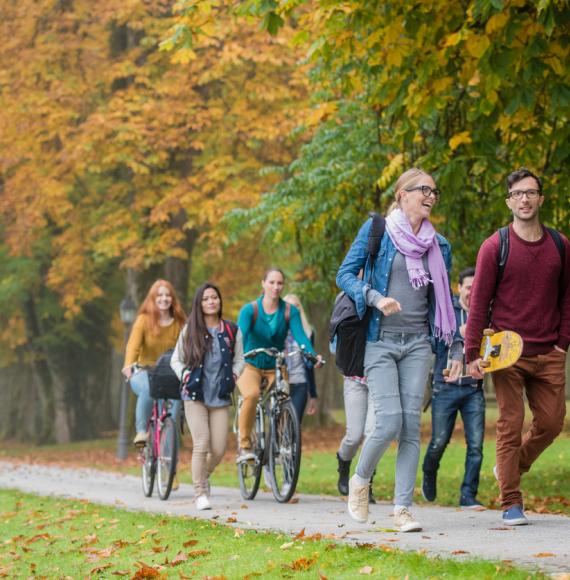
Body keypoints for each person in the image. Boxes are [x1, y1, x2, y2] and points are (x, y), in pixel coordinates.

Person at [336, 168, 461, 532]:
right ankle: (360, 479)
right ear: (403, 193)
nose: (431, 196)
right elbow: (345, 274)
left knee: (409, 428)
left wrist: (454, 349)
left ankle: (402, 508)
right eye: (424, 189)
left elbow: (446, 301)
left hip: (418, 344)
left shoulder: (440, 246)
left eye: (435, 191)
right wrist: (374, 297)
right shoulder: (377, 230)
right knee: (388, 420)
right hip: (380, 341)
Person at [465, 168, 569, 526]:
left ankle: (509, 466)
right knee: (510, 422)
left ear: (540, 198)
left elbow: (568, 297)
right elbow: (479, 302)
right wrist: (472, 354)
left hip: (549, 352)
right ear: (509, 201)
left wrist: (562, 344)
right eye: (517, 194)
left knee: (553, 423)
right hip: (507, 351)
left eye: (530, 192)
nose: (524, 199)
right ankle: (510, 500)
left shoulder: (560, 244)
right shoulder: (495, 246)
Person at [171, 283, 244, 510]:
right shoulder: (189, 330)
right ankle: (200, 492)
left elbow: (239, 359)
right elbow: (176, 359)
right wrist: (184, 375)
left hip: (220, 395)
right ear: (199, 304)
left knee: (220, 449)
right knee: (201, 442)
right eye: (206, 298)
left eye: (214, 297)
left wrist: (234, 373)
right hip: (195, 394)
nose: (211, 301)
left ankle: (203, 477)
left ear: (219, 301)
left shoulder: (232, 330)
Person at [236, 268, 322, 463]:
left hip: (276, 365)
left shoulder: (290, 311)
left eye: (280, 283)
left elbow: (301, 337)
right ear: (263, 283)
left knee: (284, 399)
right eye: (272, 282)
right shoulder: (250, 310)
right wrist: (236, 358)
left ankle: (278, 443)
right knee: (251, 395)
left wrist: (313, 355)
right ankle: (244, 445)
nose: (276, 287)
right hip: (250, 364)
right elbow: (241, 336)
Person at [422, 267, 486, 509]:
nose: (472, 292)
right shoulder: (447, 311)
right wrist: (455, 335)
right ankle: (429, 470)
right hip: (445, 386)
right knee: (439, 441)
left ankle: (468, 495)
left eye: (476, 288)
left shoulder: (483, 314)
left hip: (473, 389)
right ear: (460, 288)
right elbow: (433, 342)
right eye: (469, 287)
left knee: (476, 445)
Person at [122, 280, 186, 446]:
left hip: (170, 373)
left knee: (178, 397)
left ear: (172, 299)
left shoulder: (179, 322)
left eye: (167, 295)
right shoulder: (143, 320)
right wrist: (128, 365)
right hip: (144, 371)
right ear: (152, 298)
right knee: (149, 388)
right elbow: (133, 347)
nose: (164, 299)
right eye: (160, 295)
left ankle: (169, 443)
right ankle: (142, 432)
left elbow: (187, 348)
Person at [335, 375, 377, 503]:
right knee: (354, 436)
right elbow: (334, 353)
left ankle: (365, 483)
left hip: (379, 380)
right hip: (354, 378)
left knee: (373, 435)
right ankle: (343, 466)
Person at [283, 294, 318, 423]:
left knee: (294, 424)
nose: (293, 309)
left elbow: (310, 365)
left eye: (296, 306)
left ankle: (294, 444)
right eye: (289, 306)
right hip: (279, 384)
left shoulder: (308, 332)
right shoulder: (277, 330)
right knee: (278, 425)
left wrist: (313, 394)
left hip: (300, 383)